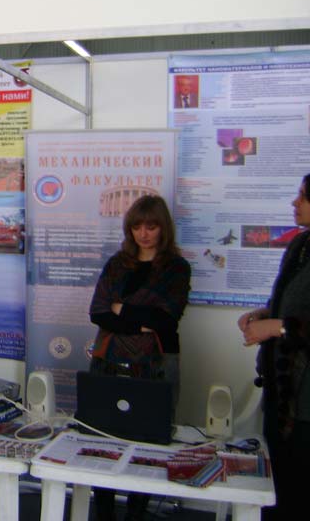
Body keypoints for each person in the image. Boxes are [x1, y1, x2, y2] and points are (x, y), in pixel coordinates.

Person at [88, 195, 191, 521]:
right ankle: (103, 511)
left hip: (156, 363)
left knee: (148, 440)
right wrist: (139, 322)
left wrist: (120, 308)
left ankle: (137, 512)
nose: (143, 234)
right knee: (103, 436)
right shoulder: (117, 263)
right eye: (137, 227)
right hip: (108, 361)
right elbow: (97, 312)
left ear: (163, 228)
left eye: (151, 226)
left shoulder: (176, 268)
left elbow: (166, 320)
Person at [238, 174, 310, 520]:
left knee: (299, 489)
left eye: (303, 197)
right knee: (276, 486)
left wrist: (277, 327)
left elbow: (294, 322)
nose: (295, 203)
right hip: (281, 392)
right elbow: (294, 306)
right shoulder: (301, 245)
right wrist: (265, 314)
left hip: (305, 400)